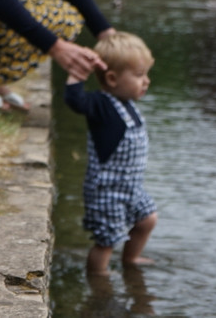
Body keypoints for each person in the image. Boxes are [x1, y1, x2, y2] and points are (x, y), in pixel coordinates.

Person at [65, 31, 158, 275]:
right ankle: (98, 278)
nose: (146, 81)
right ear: (112, 78)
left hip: (131, 187)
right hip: (107, 190)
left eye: (146, 74)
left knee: (148, 219)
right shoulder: (102, 104)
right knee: (106, 241)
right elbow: (75, 102)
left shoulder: (128, 104)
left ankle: (131, 259)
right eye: (139, 75)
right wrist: (77, 75)